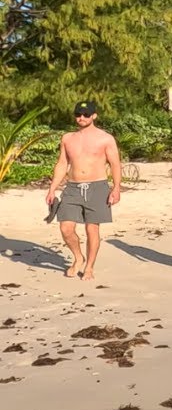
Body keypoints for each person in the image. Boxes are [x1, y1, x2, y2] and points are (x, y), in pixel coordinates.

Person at [45, 100, 122, 280]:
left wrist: (116, 188)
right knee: (65, 228)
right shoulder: (67, 138)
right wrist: (52, 189)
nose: (81, 117)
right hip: (72, 188)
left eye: (86, 114)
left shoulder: (106, 138)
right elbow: (62, 164)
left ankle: (89, 267)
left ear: (94, 116)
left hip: (97, 187)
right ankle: (78, 257)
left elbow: (116, 165)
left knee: (92, 230)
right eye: (78, 114)